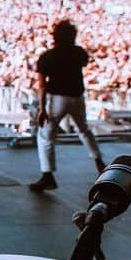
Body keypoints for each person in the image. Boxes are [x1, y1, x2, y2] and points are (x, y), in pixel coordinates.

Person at [30, 20, 107, 191]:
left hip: (57, 99)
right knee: (83, 130)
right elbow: (84, 62)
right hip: (77, 97)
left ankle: (47, 175)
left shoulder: (47, 56)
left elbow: (42, 85)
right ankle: (99, 162)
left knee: (45, 137)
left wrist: (43, 109)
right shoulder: (79, 53)